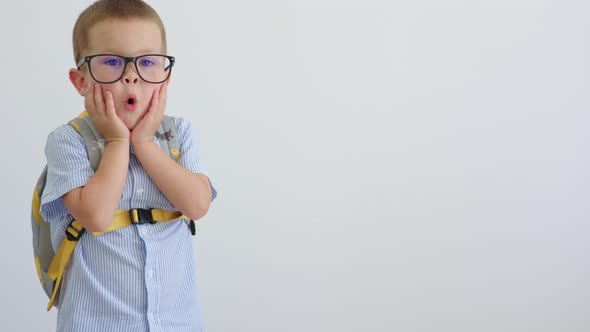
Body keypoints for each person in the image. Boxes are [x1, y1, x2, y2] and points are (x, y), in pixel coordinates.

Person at [39, 1, 217, 331]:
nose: (132, 76)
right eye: (112, 62)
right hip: (95, 323)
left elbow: (197, 204)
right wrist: (119, 142)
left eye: (147, 62)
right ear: (81, 81)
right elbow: (95, 215)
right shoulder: (68, 141)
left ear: (165, 75)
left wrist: (145, 144)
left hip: (177, 322)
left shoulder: (180, 134)